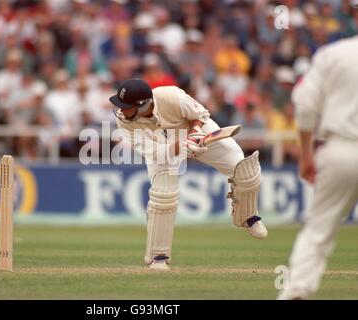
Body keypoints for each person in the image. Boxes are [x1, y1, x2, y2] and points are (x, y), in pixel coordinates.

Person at [108, 79, 268, 271]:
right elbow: (155, 153)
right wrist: (182, 146)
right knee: (163, 193)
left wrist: (194, 133)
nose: (121, 111)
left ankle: (247, 215)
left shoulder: (171, 96)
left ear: (143, 106)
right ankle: (158, 256)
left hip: (193, 128)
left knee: (243, 167)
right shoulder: (124, 121)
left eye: (126, 107)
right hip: (161, 144)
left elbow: (200, 114)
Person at [278, 36, 358, 300]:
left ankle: (297, 290)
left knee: (318, 230)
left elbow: (305, 104)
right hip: (341, 147)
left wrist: (305, 154)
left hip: (342, 148)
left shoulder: (333, 53)